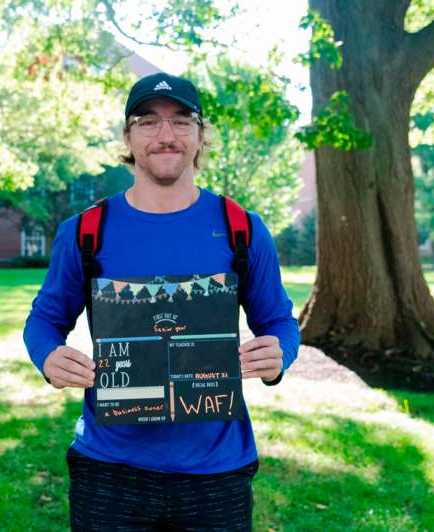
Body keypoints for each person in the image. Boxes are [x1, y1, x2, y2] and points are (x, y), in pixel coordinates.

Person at [24, 72, 300, 530]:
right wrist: (48, 356)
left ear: (201, 134)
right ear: (128, 136)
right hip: (109, 469)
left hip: (217, 471)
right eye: (148, 122)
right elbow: (44, 319)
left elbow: (279, 321)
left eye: (181, 121)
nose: (166, 136)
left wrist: (279, 354)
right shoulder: (85, 230)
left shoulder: (243, 227)